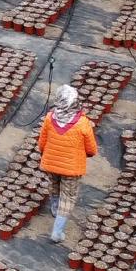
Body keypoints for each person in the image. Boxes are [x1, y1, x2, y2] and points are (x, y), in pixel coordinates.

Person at [36, 84, 98, 243]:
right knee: (68, 197)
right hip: (71, 168)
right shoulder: (83, 123)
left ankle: (55, 209)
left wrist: (46, 155)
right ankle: (57, 231)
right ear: (75, 102)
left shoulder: (50, 117)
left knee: (54, 185)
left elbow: (41, 142)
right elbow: (91, 149)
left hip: (50, 163)